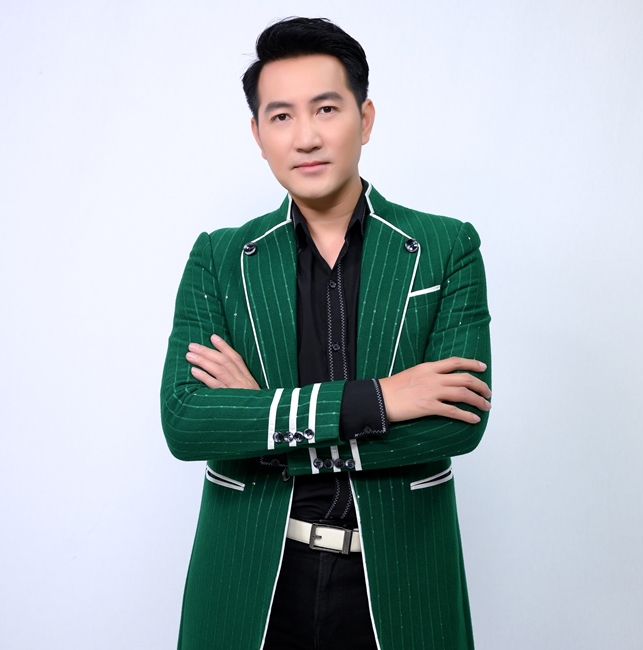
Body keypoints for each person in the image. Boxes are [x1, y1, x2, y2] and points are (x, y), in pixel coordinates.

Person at [161, 16, 492, 650]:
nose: (306, 136)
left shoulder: (446, 246)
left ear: (365, 119)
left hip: (400, 577)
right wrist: (381, 399)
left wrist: (263, 419)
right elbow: (187, 422)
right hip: (250, 573)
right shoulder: (220, 258)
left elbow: (458, 422)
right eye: (281, 116)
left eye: (326, 109)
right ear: (258, 135)